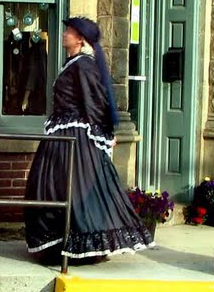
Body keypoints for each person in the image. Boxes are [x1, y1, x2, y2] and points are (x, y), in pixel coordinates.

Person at [24, 16, 153, 262]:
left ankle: (79, 247)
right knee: (54, 188)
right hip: (62, 135)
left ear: (80, 39)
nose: (64, 35)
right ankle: (59, 244)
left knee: (75, 189)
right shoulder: (73, 63)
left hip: (75, 138)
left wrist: (104, 135)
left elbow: (94, 102)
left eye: (69, 32)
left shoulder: (83, 65)